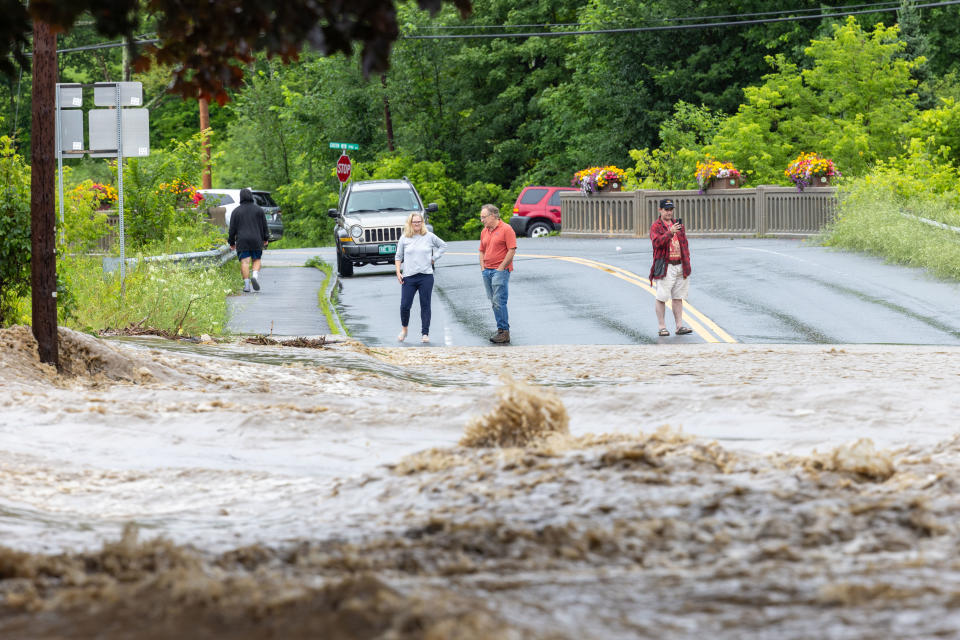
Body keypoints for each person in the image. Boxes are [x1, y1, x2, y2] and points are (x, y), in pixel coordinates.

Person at [395, 212, 447, 343]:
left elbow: (443, 246)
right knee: (405, 305)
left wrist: (434, 258)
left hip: (426, 276)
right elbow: (398, 256)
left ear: (422, 223)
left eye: (419, 222)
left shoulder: (429, 236)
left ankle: (425, 333)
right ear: (410, 223)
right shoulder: (404, 238)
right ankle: (404, 329)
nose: (417, 224)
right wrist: (398, 272)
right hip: (409, 277)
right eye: (414, 222)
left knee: (425, 305)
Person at [648, 198, 693, 336]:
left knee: (678, 297)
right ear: (660, 210)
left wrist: (687, 263)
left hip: (680, 265)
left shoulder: (678, 225)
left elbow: (684, 244)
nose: (669, 212)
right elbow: (656, 243)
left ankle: (679, 326)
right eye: (666, 209)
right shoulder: (656, 226)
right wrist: (670, 232)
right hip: (665, 266)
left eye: (671, 209)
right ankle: (662, 326)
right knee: (662, 297)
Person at [478, 203, 517, 344]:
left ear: (493, 215)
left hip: (500, 270)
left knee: (499, 301)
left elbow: (512, 250)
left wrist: (501, 268)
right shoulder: (485, 231)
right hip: (486, 270)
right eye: (481, 217)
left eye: (484, 217)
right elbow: (481, 250)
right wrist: (482, 268)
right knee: (493, 302)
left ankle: (504, 331)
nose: (482, 220)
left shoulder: (506, 229)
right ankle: (501, 330)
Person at [227, 188, 269, 293]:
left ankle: (246, 285)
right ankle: (254, 275)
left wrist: (231, 242)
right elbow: (264, 226)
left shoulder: (236, 211)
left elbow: (232, 229)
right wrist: (266, 238)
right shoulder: (259, 210)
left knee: (245, 262)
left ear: (241, 197)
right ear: (251, 196)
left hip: (242, 240)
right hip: (256, 239)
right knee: (257, 259)